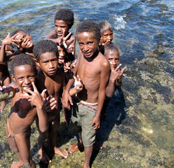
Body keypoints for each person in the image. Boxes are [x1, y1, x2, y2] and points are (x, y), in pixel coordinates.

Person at [62, 20, 110, 168]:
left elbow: (102, 90)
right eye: (81, 44)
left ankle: (87, 163)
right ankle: (79, 143)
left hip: (91, 107)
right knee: (77, 127)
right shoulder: (81, 55)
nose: (85, 48)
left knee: (89, 137)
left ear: (99, 41)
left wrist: (98, 114)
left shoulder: (103, 63)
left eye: (90, 43)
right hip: (77, 101)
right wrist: (66, 92)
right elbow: (73, 75)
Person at [0, 54, 48, 168]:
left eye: (30, 76)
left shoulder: (36, 97)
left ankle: (24, 162)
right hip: (9, 126)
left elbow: (44, 129)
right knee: (15, 149)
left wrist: (40, 106)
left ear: (35, 73)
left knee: (28, 163)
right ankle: (20, 160)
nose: (26, 82)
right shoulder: (12, 88)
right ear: (13, 77)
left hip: (21, 133)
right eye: (21, 78)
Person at [32, 39, 69, 163]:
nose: (51, 65)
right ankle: (41, 149)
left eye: (53, 60)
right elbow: (31, 100)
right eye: (46, 62)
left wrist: (71, 93)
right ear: (38, 63)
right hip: (43, 115)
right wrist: (41, 106)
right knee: (43, 135)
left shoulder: (60, 73)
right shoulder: (37, 80)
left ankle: (53, 147)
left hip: (56, 112)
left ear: (58, 58)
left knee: (54, 132)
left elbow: (64, 91)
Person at [101, 44, 126, 119]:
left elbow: (118, 86)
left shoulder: (115, 70)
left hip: (107, 96)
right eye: (110, 59)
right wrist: (112, 80)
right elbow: (105, 96)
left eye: (116, 59)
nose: (114, 62)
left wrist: (118, 80)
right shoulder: (100, 71)